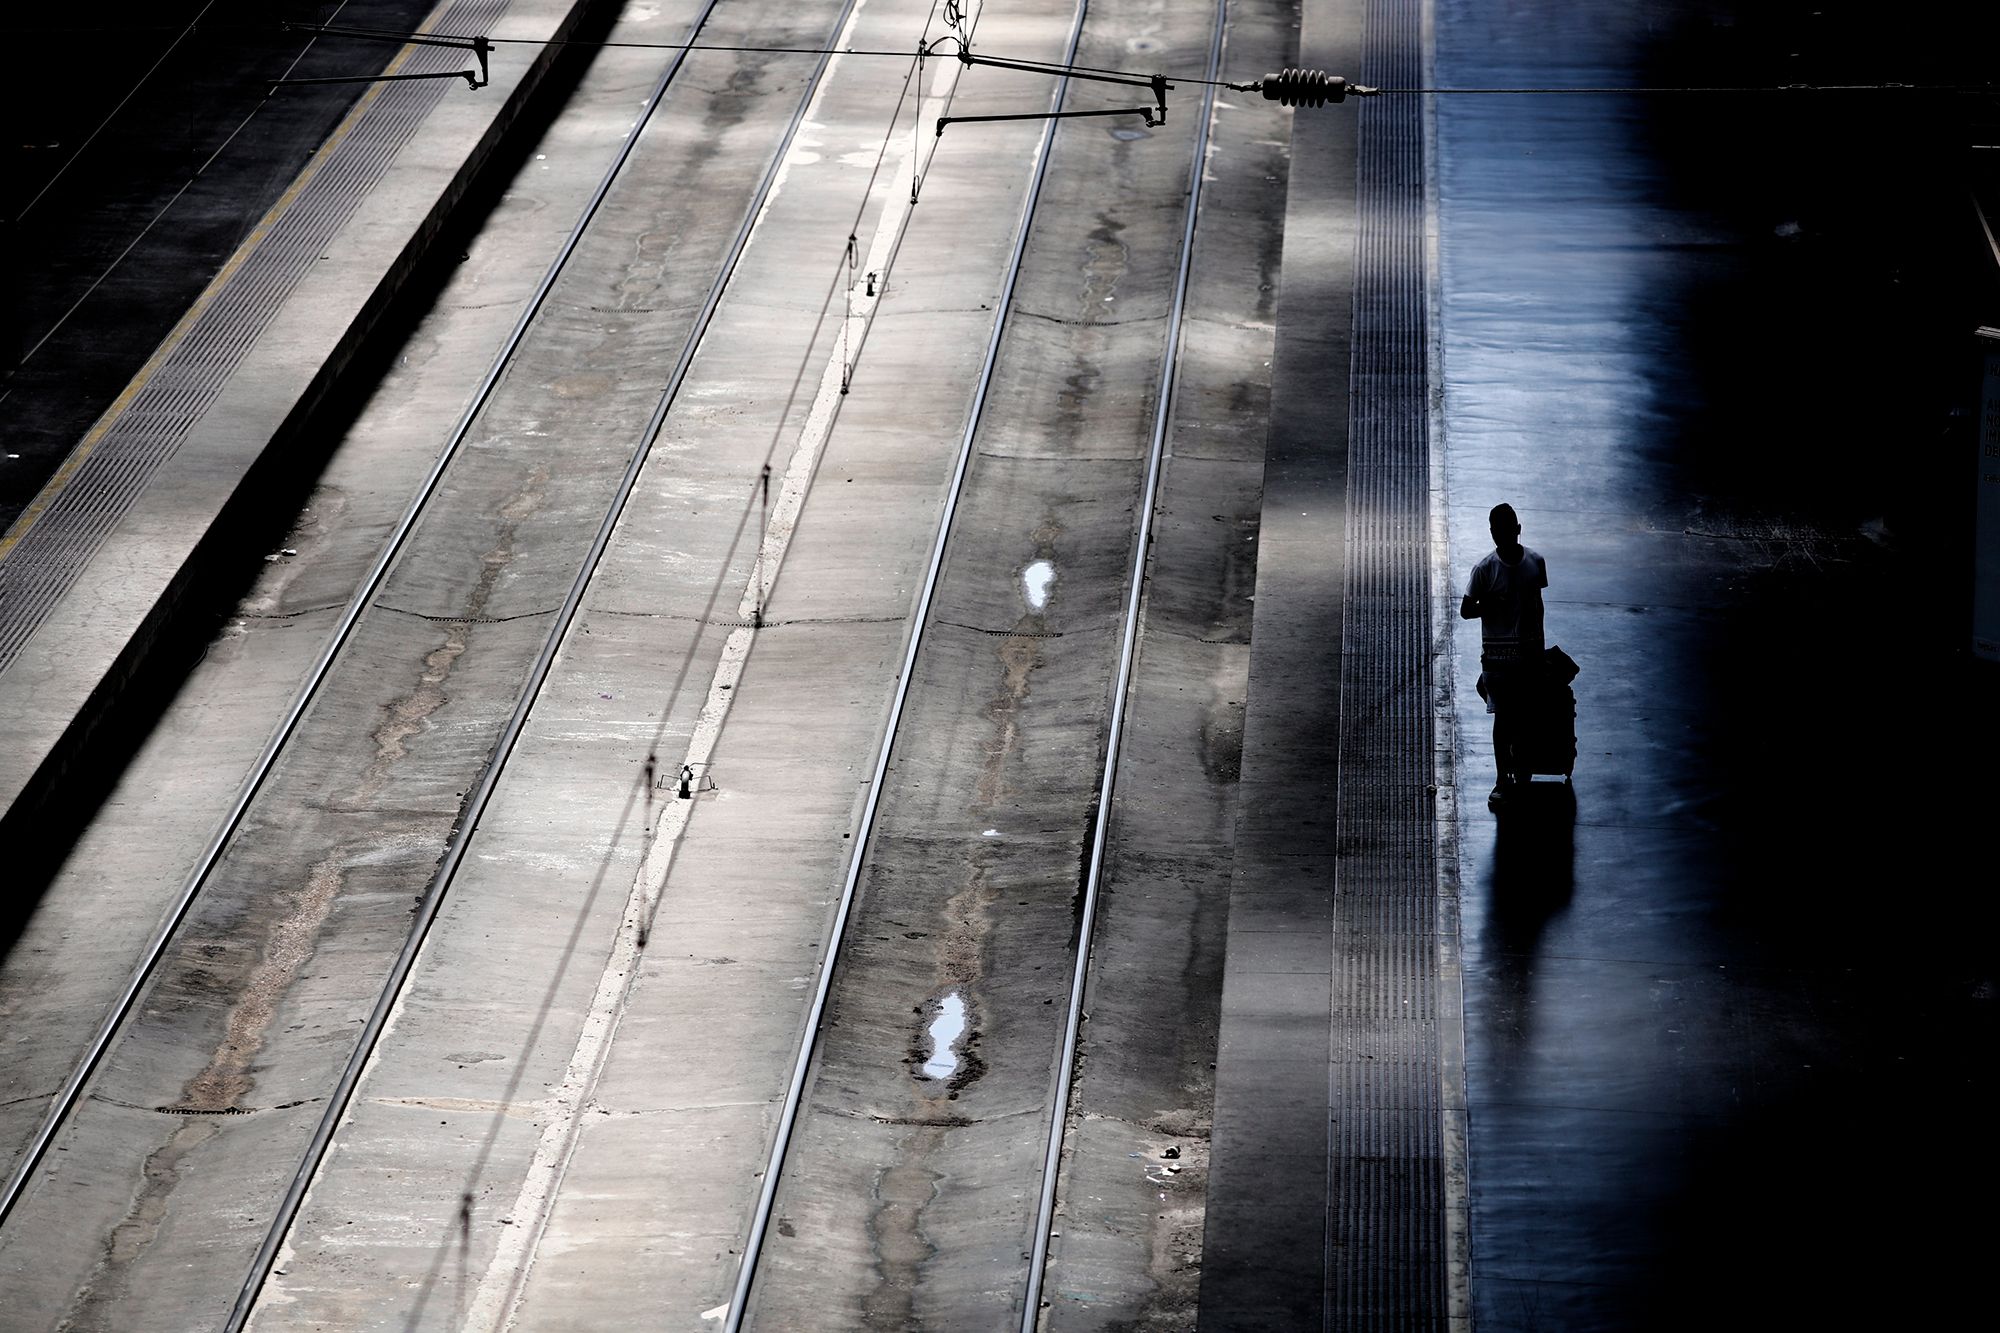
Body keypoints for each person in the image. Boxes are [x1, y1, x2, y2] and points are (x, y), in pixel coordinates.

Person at [1460, 503, 1547, 809]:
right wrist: (1490, 606)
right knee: (1510, 717)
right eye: (1498, 531)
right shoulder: (1485, 570)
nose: (1501, 536)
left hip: (1519, 655)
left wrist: (1539, 647)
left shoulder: (1532, 564)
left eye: (1505, 530)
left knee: (1514, 718)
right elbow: (1467, 609)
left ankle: (1511, 775)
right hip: (1500, 659)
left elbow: (1537, 607)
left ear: (1515, 530)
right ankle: (1509, 775)